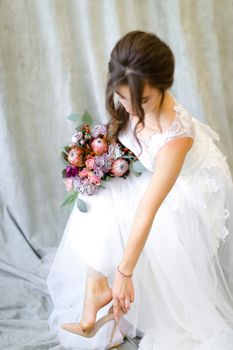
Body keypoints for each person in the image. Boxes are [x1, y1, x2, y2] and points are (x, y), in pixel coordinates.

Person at [46, 30, 233, 350]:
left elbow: (149, 208)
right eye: (123, 98)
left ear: (163, 85)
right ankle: (96, 285)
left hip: (188, 192)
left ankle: (108, 285)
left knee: (133, 217)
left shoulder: (176, 135)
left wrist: (125, 272)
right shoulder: (129, 96)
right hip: (153, 177)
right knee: (97, 194)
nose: (131, 109)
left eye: (143, 100)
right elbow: (127, 144)